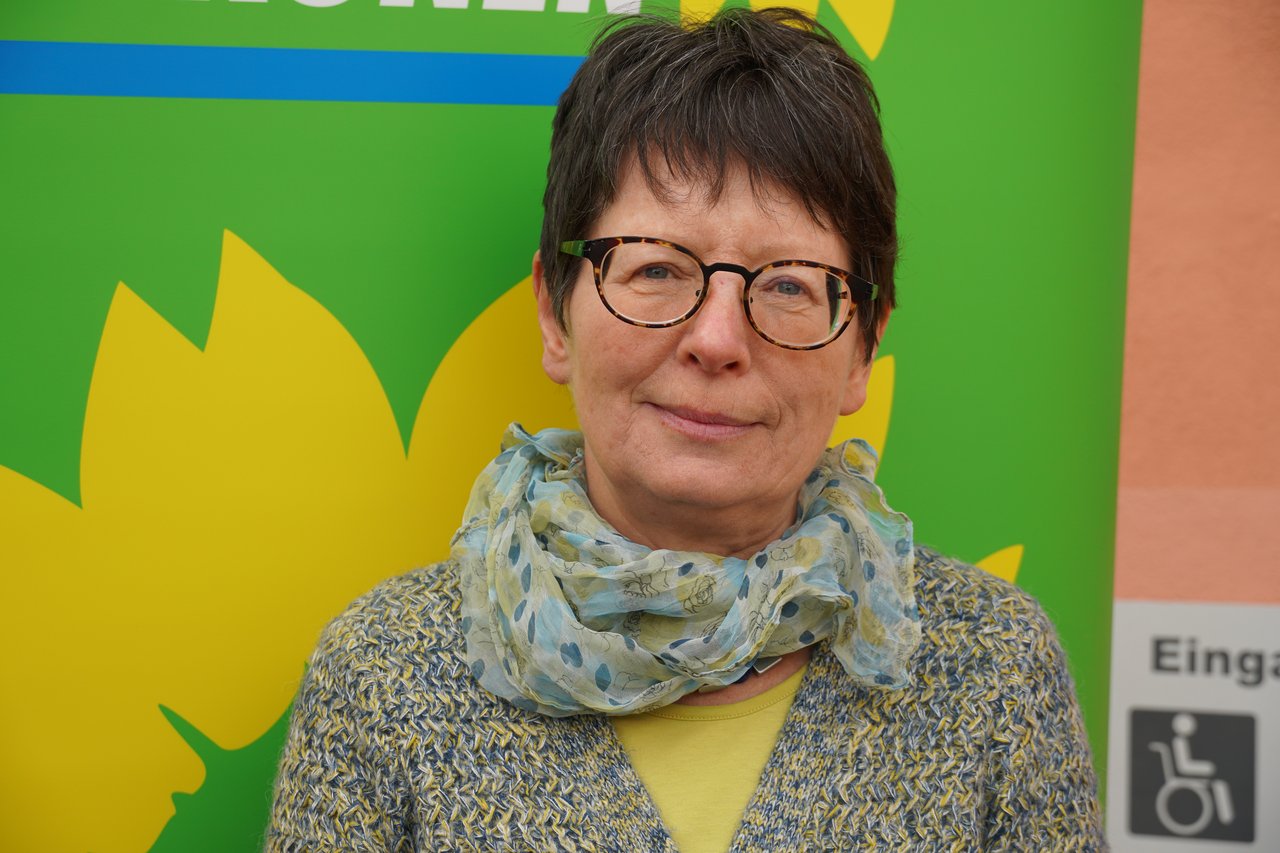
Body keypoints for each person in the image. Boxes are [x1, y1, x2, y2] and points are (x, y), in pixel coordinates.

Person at [266, 8, 1104, 851]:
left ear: (864, 344)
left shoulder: (994, 667)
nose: (716, 339)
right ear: (555, 313)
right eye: (659, 268)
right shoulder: (384, 673)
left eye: (788, 285)